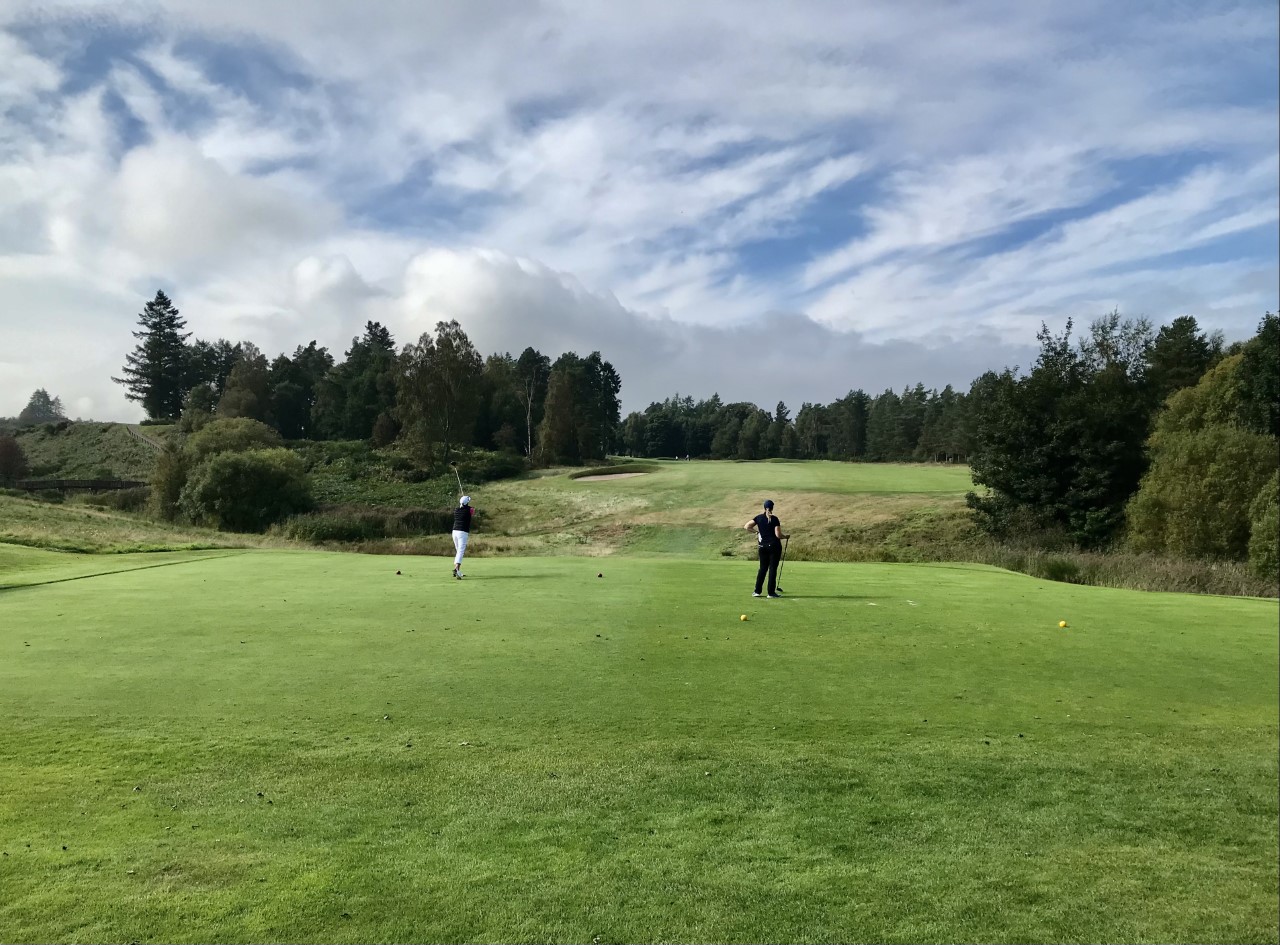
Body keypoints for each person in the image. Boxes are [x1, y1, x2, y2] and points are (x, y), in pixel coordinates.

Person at [744, 499, 788, 598]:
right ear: (772, 508)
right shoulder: (774, 519)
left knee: (762, 569)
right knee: (772, 569)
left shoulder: (758, 518)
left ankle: (757, 591)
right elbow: (778, 535)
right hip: (774, 547)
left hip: (762, 546)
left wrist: (757, 532)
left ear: (764, 507)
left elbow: (747, 526)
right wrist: (785, 537)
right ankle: (771, 593)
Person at [451, 495, 476, 579]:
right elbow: (472, 511)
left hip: (454, 532)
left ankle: (457, 569)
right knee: (460, 551)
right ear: (467, 503)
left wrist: (465, 503)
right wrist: (467, 505)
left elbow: (465, 507)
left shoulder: (456, 510)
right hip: (462, 532)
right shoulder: (470, 510)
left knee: (458, 551)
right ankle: (457, 570)